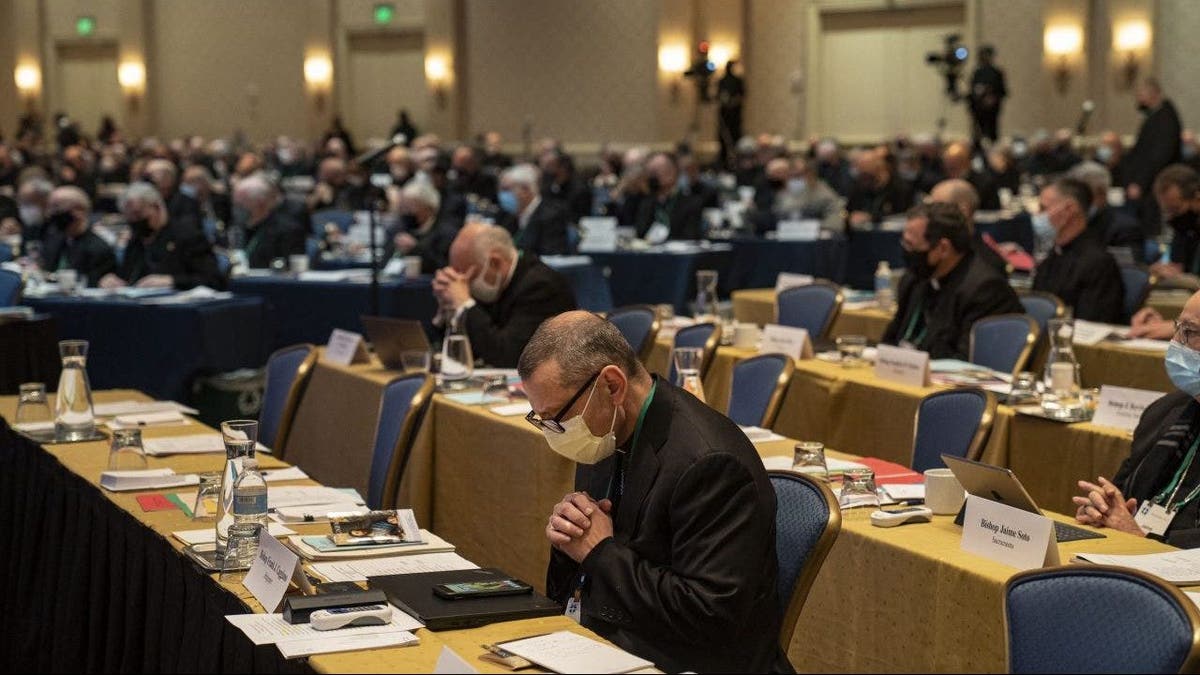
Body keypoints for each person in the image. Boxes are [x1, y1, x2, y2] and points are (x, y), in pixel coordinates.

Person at [521, 311, 789, 673]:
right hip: (611, 642)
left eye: (557, 417)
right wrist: (571, 541)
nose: (553, 432)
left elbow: (709, 615)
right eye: (541, 419)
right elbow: (581, 581)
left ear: (612, 386)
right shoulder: (604, 433)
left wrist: (600, 551)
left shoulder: (710, 462)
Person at [1074, 290, 1200, 548]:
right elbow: (1121, 495)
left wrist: (1144, 540)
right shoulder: (1165, 412)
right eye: (1178, 327)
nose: (1175, 342)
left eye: (1190, 332)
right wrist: (1102, 510)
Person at [881, 203, 1022, 359]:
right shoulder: (914, 280)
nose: (906, 251)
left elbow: (965, 361)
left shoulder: (985, 289)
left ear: (943, 248)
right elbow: (889, 340)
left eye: (911, 245)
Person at [431, 222, 575, 366]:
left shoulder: (541, 286)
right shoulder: (491, 284)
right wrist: (449, 308)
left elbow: (509, 357)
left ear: (495, 262)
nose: (462, 284)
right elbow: (460, 353)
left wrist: (464, 304)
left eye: (468, 277)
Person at [1031, 178, 1125, 323]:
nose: (1038, 215)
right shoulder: (1053, 256)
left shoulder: (1098, 264)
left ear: (1069, 209)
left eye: (1044, 208)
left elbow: (1091, 325)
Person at [101, 182, 225, 290]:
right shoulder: (136, 241)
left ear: (157, 207)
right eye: (129, 217)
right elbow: (128, 277)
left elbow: (213, 280)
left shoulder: (188, 236)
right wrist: (113, 280)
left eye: (138, 214)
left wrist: (171, 281)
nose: (134, 221)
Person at [1125, 78, 1183, 234]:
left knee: (1153, 231)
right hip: (1150, 184)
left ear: (1153, 94)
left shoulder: (1165, 118)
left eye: (1140, 95)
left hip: (1155, 183)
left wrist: (1140, 182)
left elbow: (1158, 156)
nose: (1139, 100)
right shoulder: (1157, 115)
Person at [1067, 161, 1145, 265]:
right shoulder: (1072, 222)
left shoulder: (1125, 228)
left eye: (1081, 193)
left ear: (1101, 193)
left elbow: (1128, 271)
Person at [40, 186, 116, 287]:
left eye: (57, 207)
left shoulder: (99, 249)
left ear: (79, 211)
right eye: (50, 207)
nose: (50, 214)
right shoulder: (53, 241)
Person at [928, 179, 1008, 273]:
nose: (929, 217)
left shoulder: (986, 265)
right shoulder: (930, 252)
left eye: (937, 208)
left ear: (963, 211)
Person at [384, 178, 460, 273]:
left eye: (411, 206)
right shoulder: (398, 228)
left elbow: (444, 267)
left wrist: (416, 249)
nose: (406, 211)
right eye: (404, 206)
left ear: (429, 208)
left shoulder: (446, 233)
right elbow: (385, 262)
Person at [231, 173, 306, 268]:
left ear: (260, 203)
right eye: (235, 204)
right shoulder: (236, 230)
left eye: (241, 204)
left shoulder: (289, 231)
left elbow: (290, 271)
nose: (237, 209)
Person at [497, 164, 572, 256]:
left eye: (506, 189)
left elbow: (550, 255)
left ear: (525, 190)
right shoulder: (507, 216)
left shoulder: (551, 215)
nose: (502, 195)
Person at [633, 152, 703, 241]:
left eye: (660, 169)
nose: (655, 174)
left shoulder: (691, 203)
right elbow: (639, 233)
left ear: (674, 171)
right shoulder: (646, 202)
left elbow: (691, 236)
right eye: (652, 170)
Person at [1148, 164, 1200, 278]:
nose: (1170, 217)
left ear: (1197, 199)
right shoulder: (1183, 229)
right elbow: (1177, 264)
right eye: (1166, 211)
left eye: (1175, 209)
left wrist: (1183, 276)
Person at [845, 148, 915, 225]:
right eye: (861, 174)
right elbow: (849, 210)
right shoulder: (859, 187)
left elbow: (903, 216)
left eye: (866, 174)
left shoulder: (901, 188)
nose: (863, 179)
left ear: (879, 168)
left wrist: (872, 218)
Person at [940, 141, 1001, 211]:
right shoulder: (942, 180)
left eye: (954, 164)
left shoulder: (985, 182)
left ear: (967, 162)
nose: (948, 168)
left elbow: (993, 212)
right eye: (947, 164)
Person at [968, 46, 1007, 146]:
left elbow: (1002, 91)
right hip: (978, 109)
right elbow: (972, 90)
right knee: (978, 132)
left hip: (992, 109)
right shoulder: (977, 73)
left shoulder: (996, 73)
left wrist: (992, 98)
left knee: (992, 132)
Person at [716, 60, 746, 170]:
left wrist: (732, 102)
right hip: (724, 117)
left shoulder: (738, 81)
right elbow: (719, 97)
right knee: (723, 141)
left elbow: (741, 96)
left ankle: (737, 165)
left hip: (735, 117)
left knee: (736, 141)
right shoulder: (722, 81)